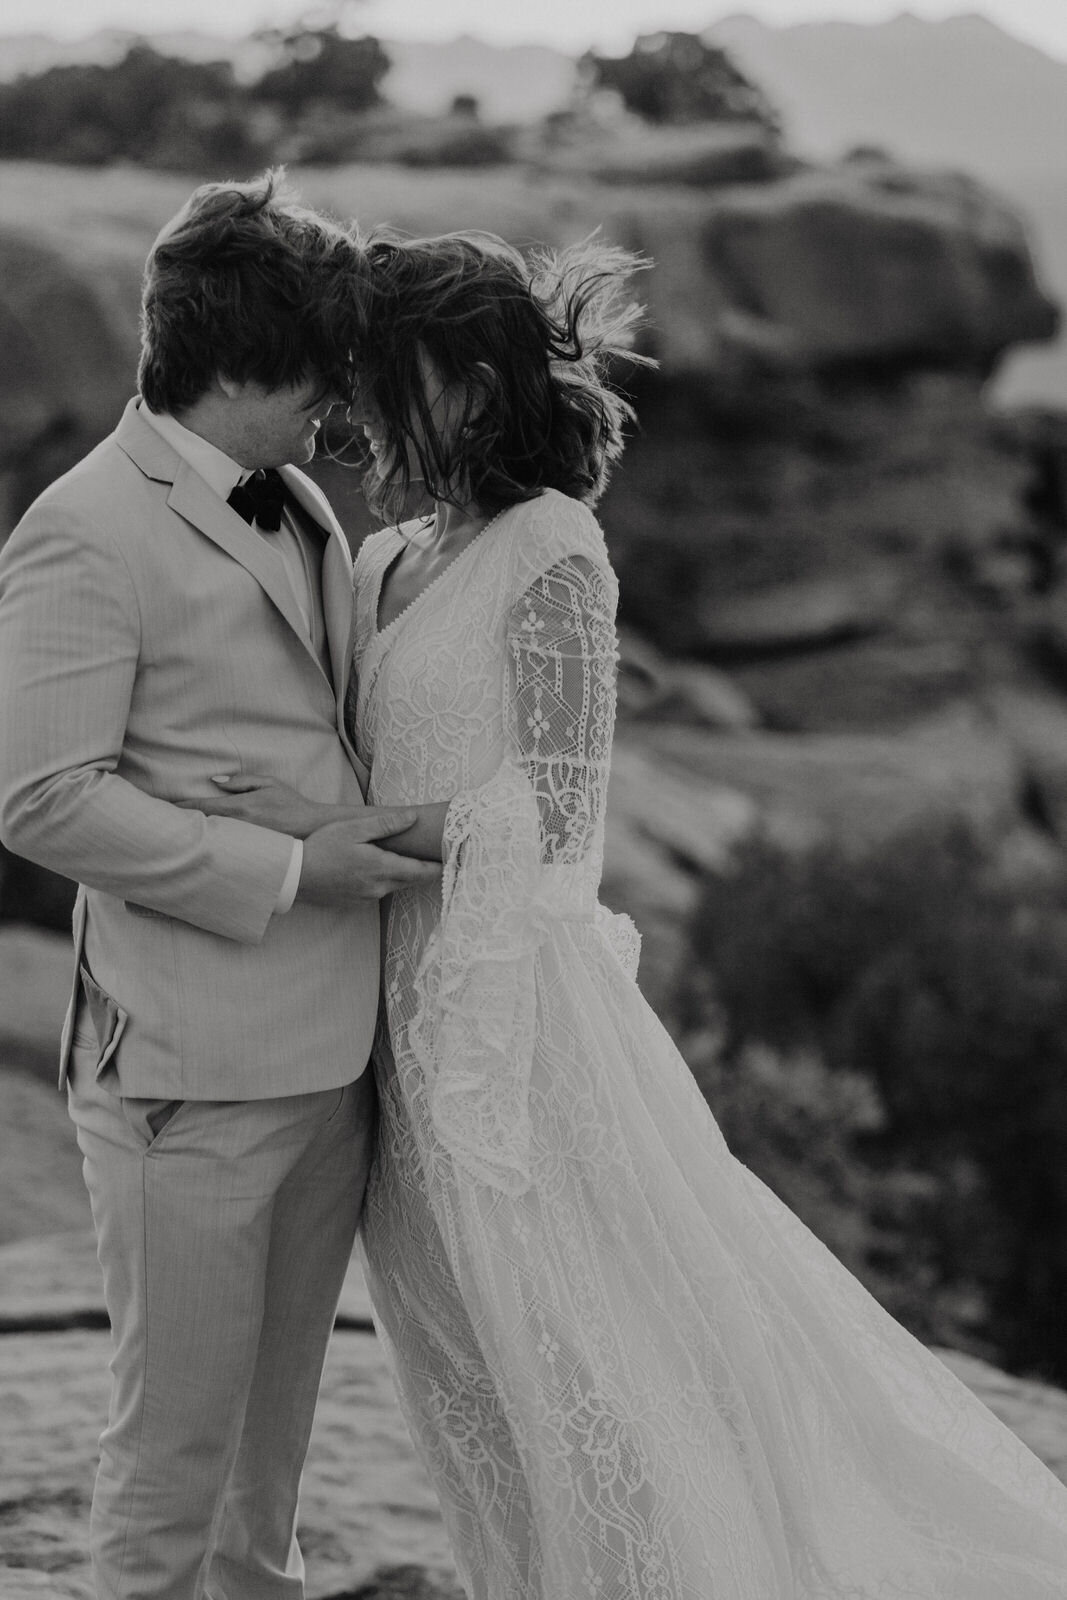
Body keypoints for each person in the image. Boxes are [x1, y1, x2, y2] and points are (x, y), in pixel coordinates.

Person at [192, 230, 1067, 1598]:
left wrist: (331, 833)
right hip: (395, 1026)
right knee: (461, 1354)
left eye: (387, 377)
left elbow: (554, 822)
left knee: (584, 1355)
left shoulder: (555, 550)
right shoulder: (385, 563)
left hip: (519, 1023)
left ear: (472, 386)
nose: (358, 412)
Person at [0, 173, 439, 1600]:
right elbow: (42, 798)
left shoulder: (299, 495)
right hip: (186, 1079)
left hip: (330, 1069)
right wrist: (292, 861)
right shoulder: (82, 530)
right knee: (172, 1471)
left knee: (270, 1476)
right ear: (251, 361)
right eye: (327, 365)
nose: (343, 398)